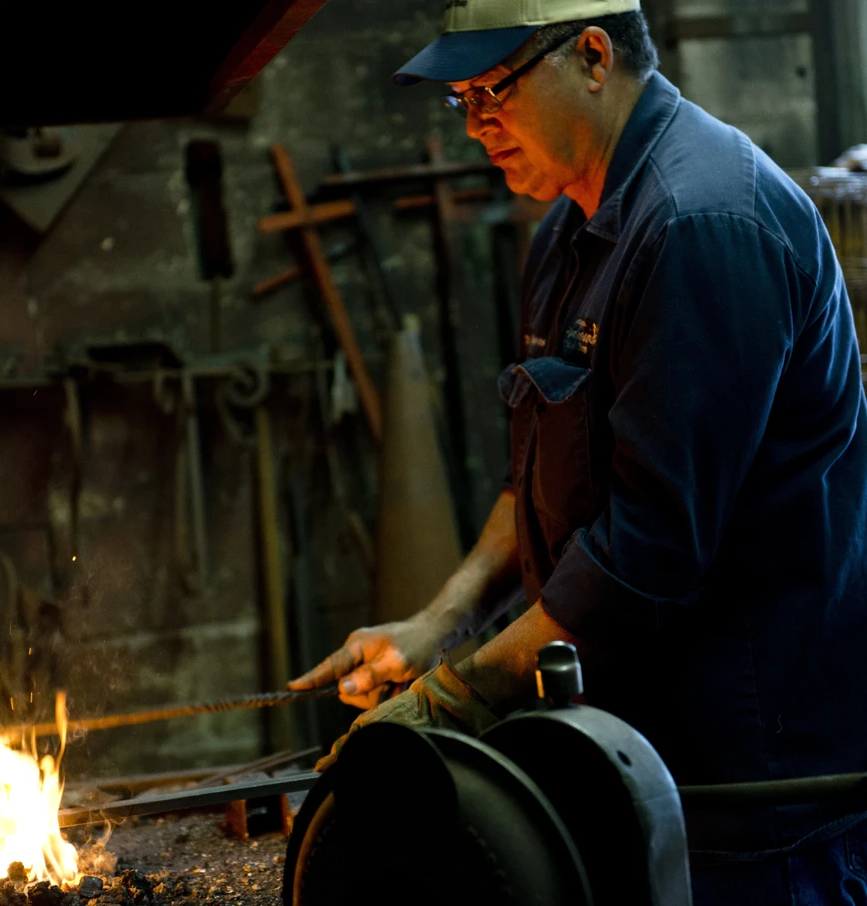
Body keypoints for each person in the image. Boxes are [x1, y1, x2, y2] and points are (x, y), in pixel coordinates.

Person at [288, 1, 867, 901]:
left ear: (593, 56)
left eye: (493, 88)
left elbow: (648, 555)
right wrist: (440, 625)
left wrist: (458, 698)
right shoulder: (570, 230)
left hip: (758, 790)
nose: (477, 121)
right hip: (641, 762)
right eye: (463, 97)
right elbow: (540, 478)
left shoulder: (699, 224)